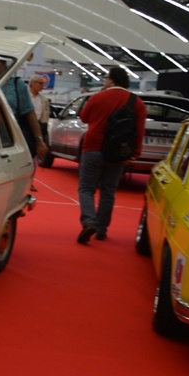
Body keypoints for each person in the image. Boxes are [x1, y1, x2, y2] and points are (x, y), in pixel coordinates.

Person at [76, 66, 146, 244]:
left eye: (106, 78)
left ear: (112, 80)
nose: (104, 81)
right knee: (108, 191)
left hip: (93, 148)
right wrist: (134, 153)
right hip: (118, 152)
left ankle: (89, 221)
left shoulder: (98, 97)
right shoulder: (136, 102)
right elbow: (139, 131)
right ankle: (101, 229)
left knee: (86, 188)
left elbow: (84, 117)